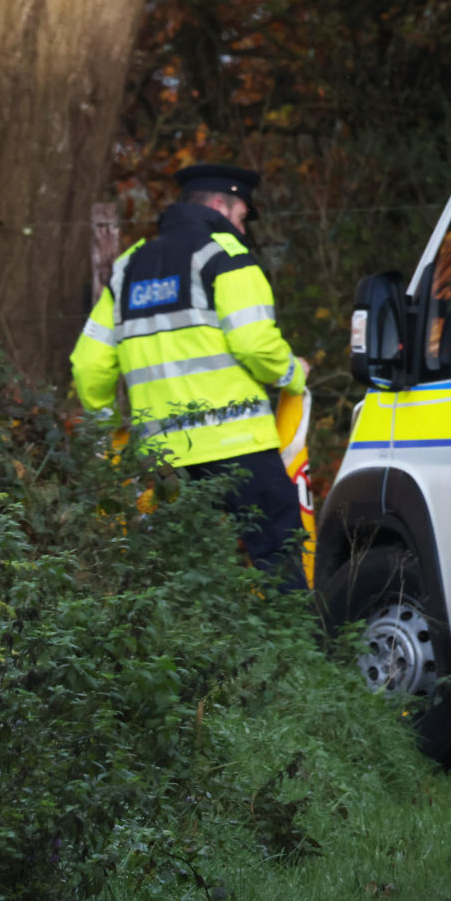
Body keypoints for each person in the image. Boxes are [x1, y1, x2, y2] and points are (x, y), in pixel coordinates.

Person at [70, 163, 310, 590]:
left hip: (163, 459)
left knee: (177, 574)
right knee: (279, 557)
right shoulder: (226, 256)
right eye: (241, 215)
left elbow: (88, 365)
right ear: (220, 205)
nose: (242, 226)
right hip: (239, 448)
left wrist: (109, 428)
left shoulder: (128, 268)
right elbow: (254, 344)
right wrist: (294, 373)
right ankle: (303, 656)